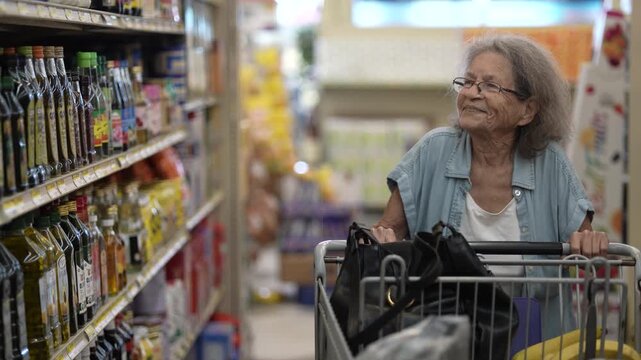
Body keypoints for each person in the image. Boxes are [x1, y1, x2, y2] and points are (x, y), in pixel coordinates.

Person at [371, 33, 609, 340]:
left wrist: (590, 244)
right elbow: (388, 231)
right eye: (468, 82)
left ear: (528, 111)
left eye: (490, 86)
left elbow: (584, 242)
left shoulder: (551, 163)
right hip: (443, 329)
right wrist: (382, 240)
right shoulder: (432, 151)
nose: (472, 93)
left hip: (532, 335)